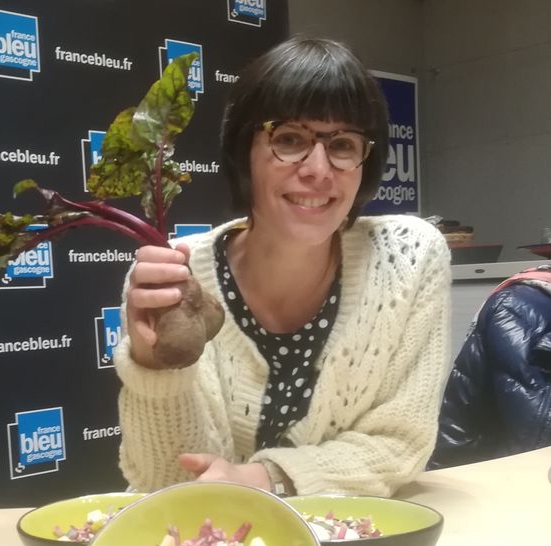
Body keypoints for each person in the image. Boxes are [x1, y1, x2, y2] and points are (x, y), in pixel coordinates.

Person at [113, 36, 451, 497]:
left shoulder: (409, 258)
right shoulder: (172, 279)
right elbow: (168, 486)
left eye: (343, 145)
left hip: (353, 536)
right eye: (289, 139)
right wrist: (156, 368)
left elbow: (398, 443)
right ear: (243, 152)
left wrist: (267, 478)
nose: (318, 169)